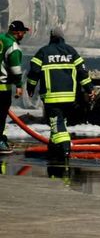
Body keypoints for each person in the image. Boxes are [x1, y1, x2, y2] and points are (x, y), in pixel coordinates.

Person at [26, 26, 94, 161]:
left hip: (52, 98)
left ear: (51, 37)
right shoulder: (71, 51)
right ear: (63, 37)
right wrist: (89, 89)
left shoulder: (43, 52)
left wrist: (30, 87)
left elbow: (33, 72)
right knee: (58, 123)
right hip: (69, 98)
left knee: (58, 126)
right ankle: (53, 149)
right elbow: (82, 73)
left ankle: (64, 151)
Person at [1, 20, 30, 154]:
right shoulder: (13, 48)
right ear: (18, 33)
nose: (24, 34)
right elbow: (16, 70)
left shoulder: (1, 38)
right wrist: (19, 85)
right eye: (23, 32)